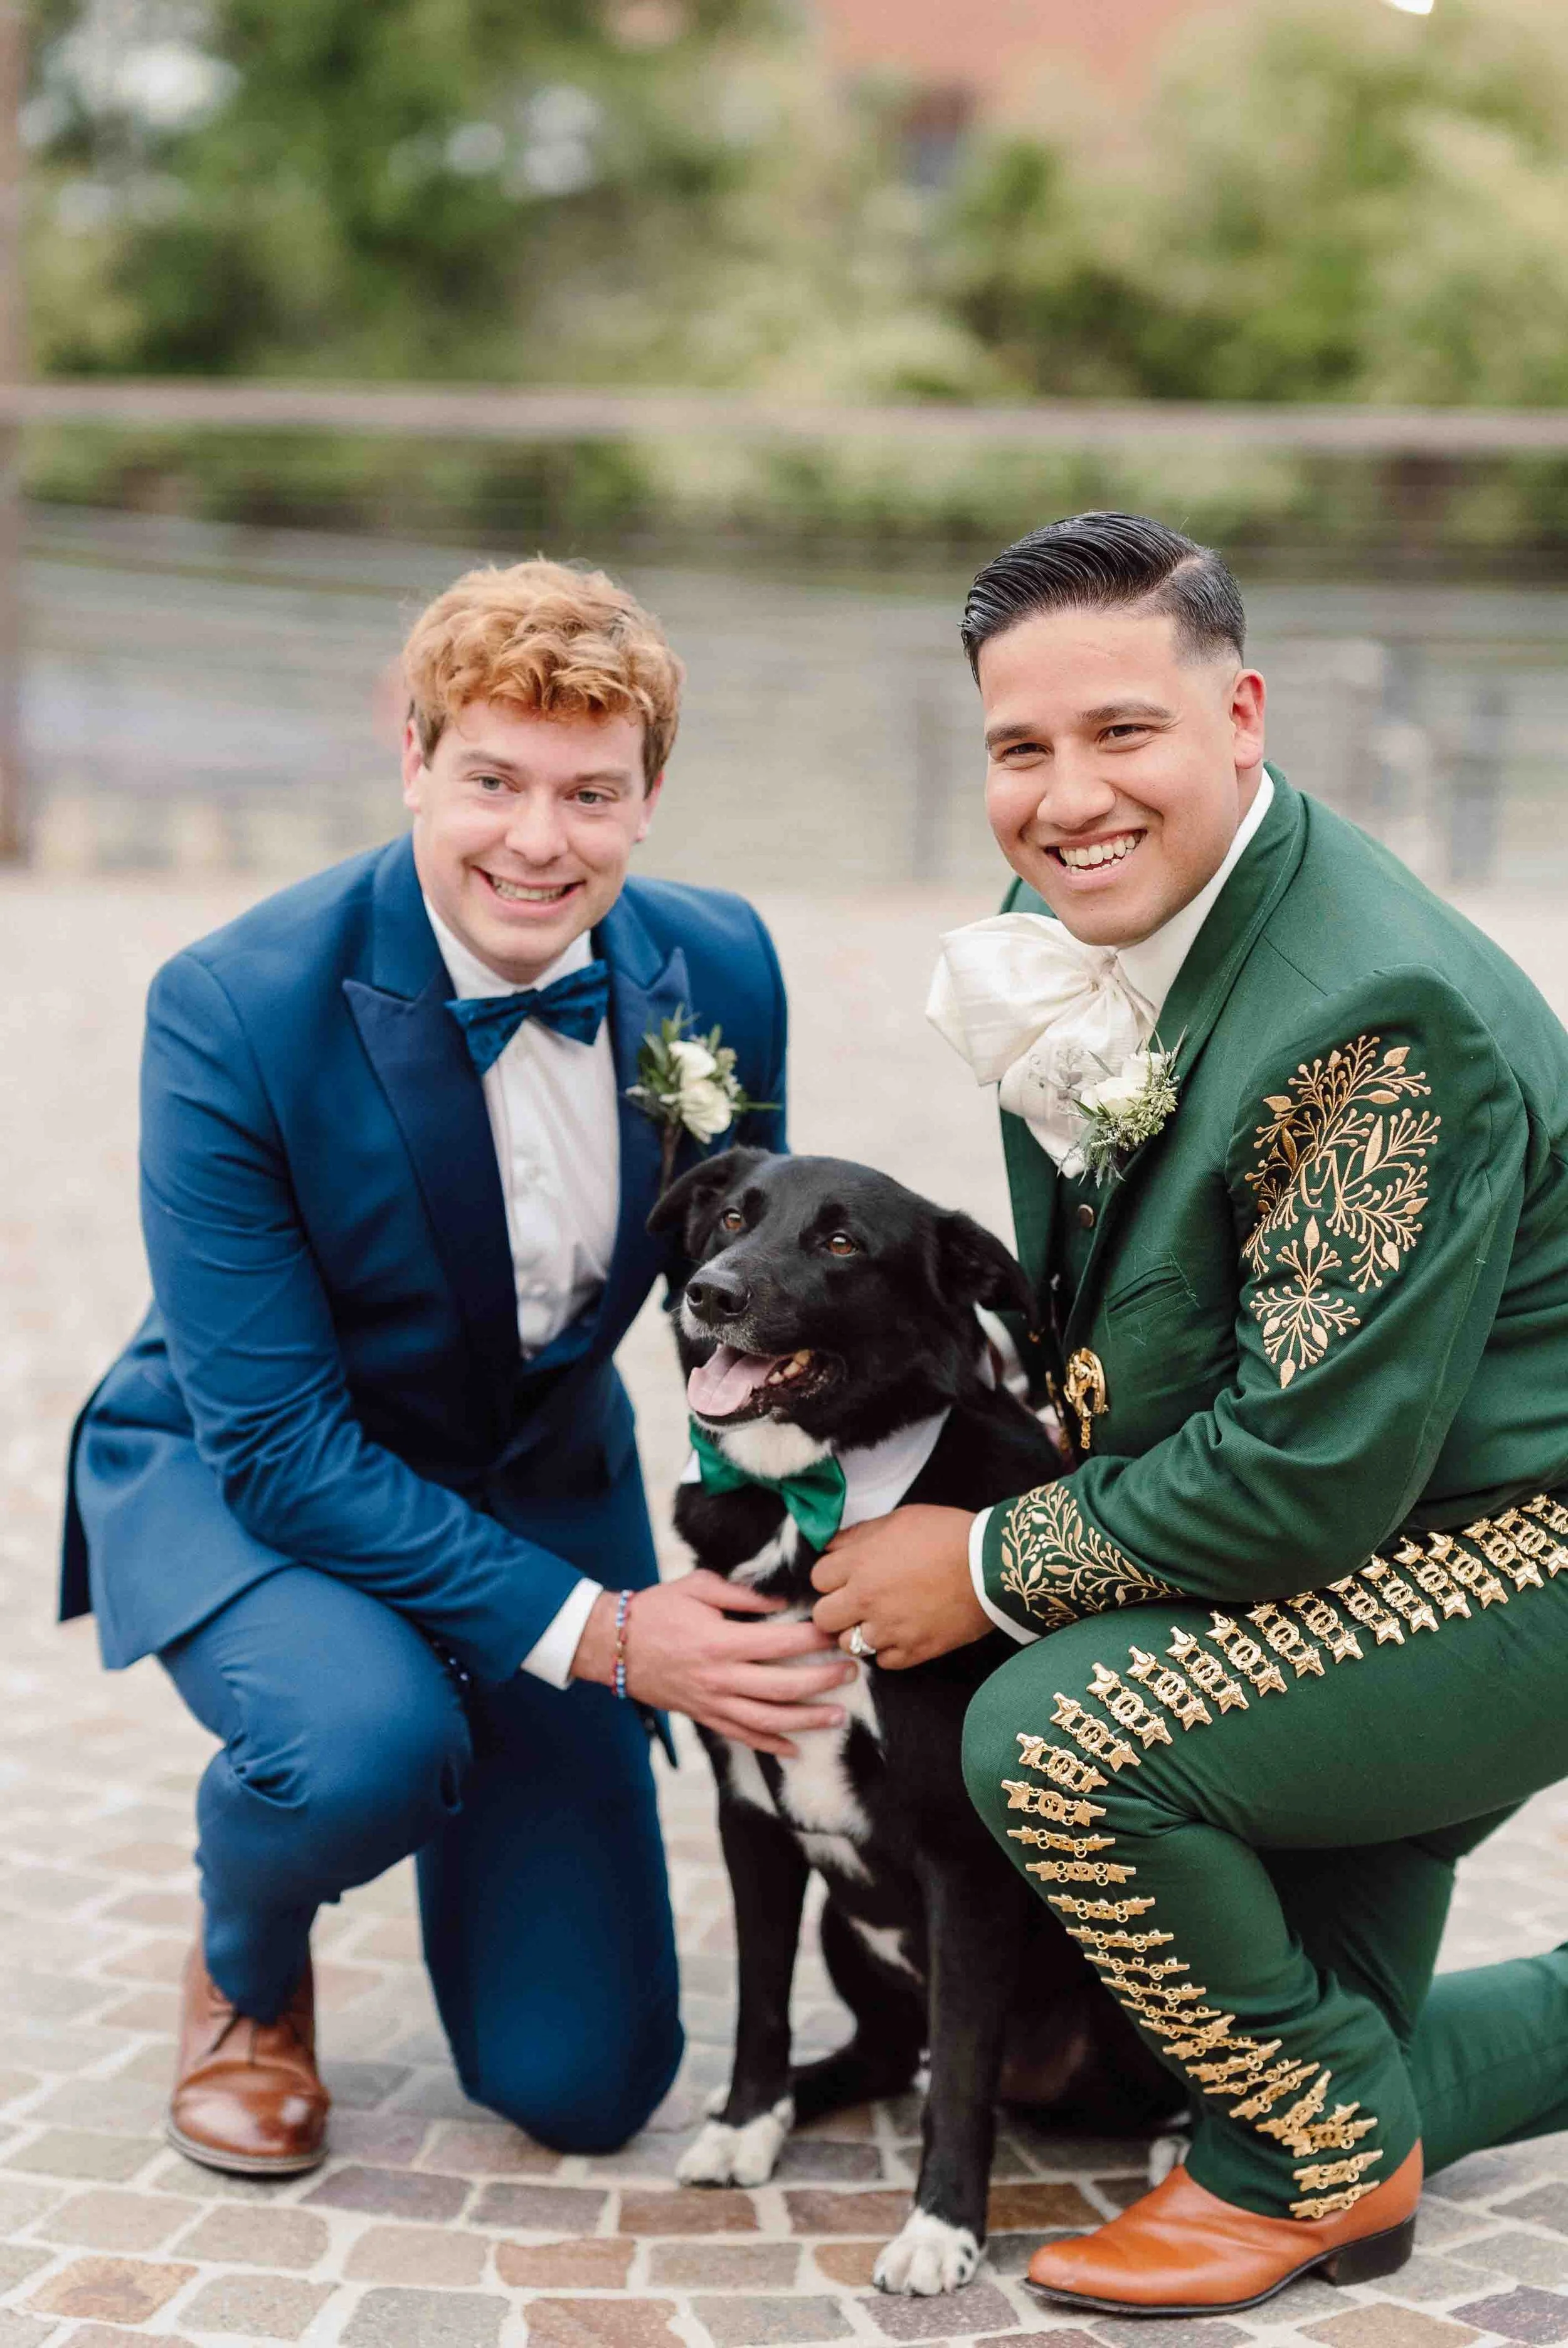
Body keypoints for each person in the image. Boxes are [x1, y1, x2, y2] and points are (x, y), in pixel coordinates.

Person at [810, 512, 1568, 2315]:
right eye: (1018, 748)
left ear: (1240, 714)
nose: (1066, 796)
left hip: (1506, 1553)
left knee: (1051, 1742)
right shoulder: (1067, 910)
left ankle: (1323, 2160)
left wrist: (986, 1559)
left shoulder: (1376, 1015)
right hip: (1342, 1521)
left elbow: (1302, 1474)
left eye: (1120, 732)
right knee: (1303, 2009)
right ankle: (1363, 2082)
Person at [61, 558, 856, 2177]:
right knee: (363, 1743)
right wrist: (609, 1636)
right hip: (257, 1473)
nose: (538, 840)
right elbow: (278, 1442)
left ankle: (486, 1810)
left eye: (591, 794)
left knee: (589, 2085)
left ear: (648, 802)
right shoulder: (233, 1005)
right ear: (412, 757)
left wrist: (790, 1562)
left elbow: (742, 1306)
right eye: (491, 780)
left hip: (539, 1475)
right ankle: (247, 1953)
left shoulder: (725, 969)